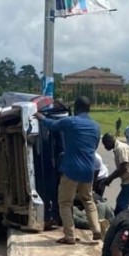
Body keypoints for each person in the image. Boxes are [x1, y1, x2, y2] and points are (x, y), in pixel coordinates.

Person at [35, 96, 101, 245]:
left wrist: (39, 116)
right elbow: (94, 147)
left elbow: (51, 125)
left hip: (71, 169)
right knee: (88, 200)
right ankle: (96, 230)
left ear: (76, 108)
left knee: (65, 202)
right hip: (89, 170)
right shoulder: (96, 126)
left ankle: (69, 236)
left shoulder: (71, 122)